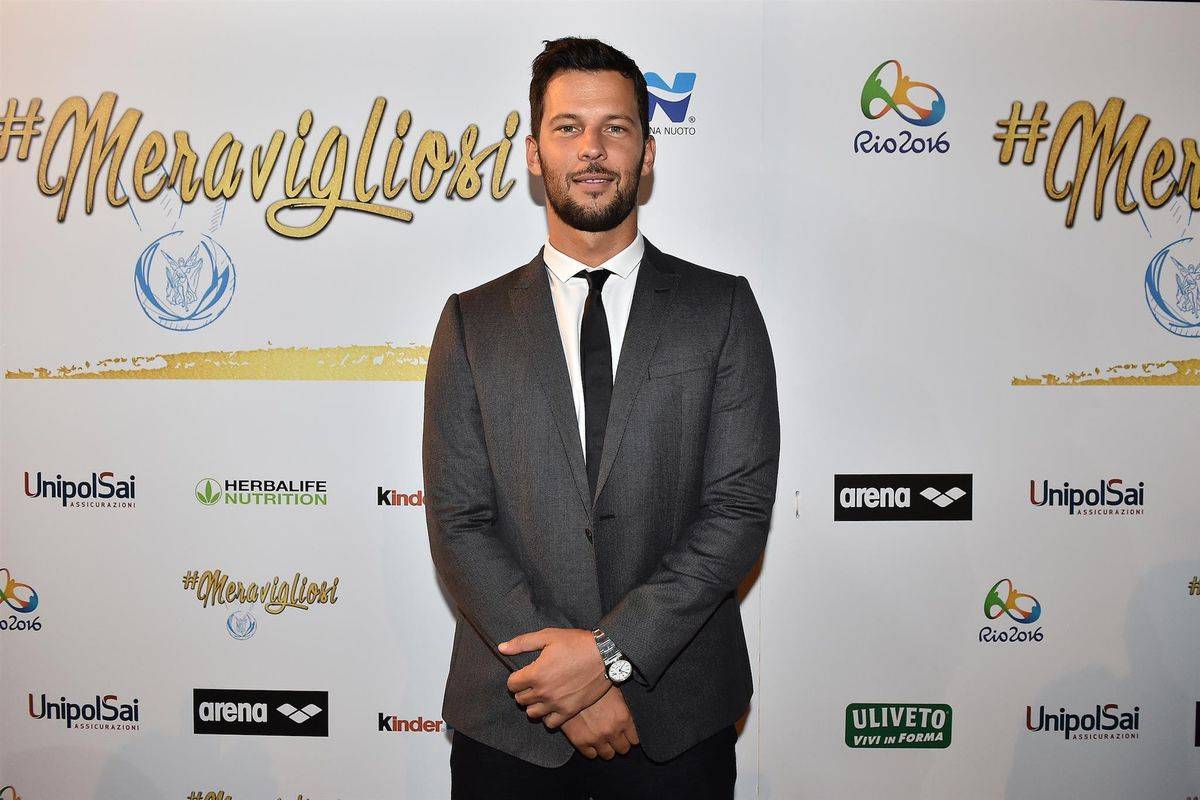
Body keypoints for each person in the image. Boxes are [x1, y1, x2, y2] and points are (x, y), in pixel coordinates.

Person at [422, 36, 780, 799]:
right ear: (533, 153)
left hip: (676, 716)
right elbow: (458, 522)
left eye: (615, 127)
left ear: (647, 153)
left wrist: (608, 655)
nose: (592, 148)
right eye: (568, 127)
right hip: (513, 720)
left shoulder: (720, 309)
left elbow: (738, 511)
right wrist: (560, 680)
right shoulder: (470, 323)